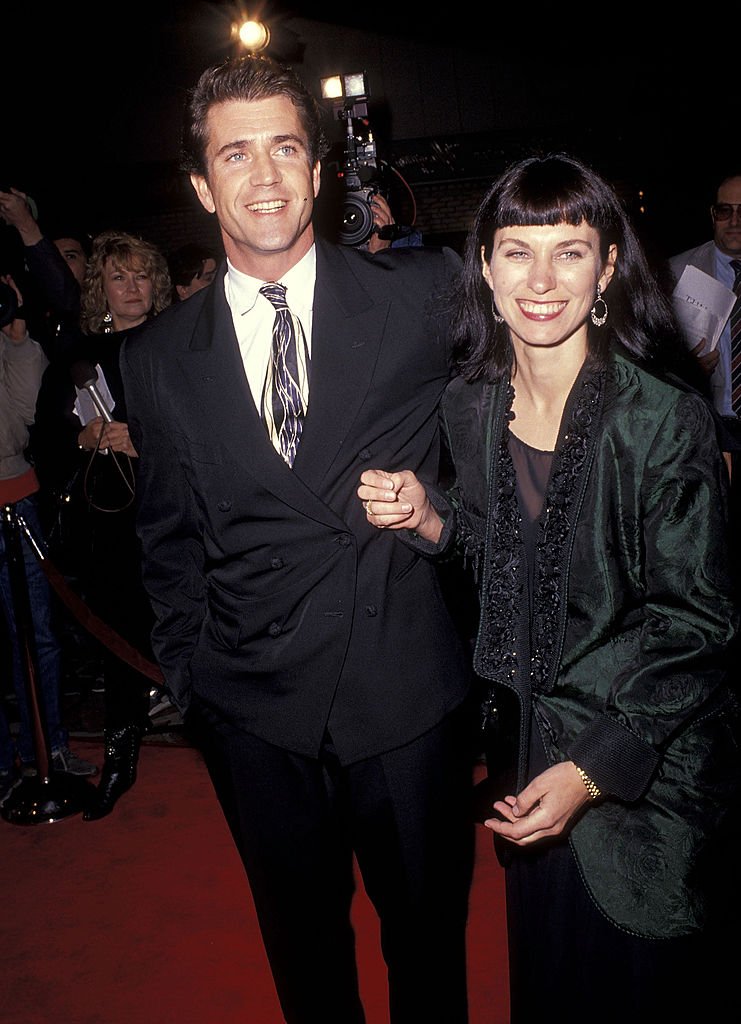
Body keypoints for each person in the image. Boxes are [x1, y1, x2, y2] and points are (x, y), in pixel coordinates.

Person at [119, 53, 475, 1024]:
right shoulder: (154, 358)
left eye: (285, 148)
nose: (265, 176)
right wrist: (196, 685)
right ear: (202, 185)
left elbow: (513, 445)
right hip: (255, 718)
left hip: (403, 698)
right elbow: (166, 540)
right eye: (236, 154)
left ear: (317, 170)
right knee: (308, 964)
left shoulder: (421, 297)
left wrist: (440, 514)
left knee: (428, 954)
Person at [358, 153, 741, 1021]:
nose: (540, 280)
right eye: (515, 251)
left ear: (607, 267)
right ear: (484, 269)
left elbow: (699, 622)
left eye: (568, 252)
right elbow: (499, 557)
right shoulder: (470, 403)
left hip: (648, 768)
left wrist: (593, 771)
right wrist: (430, 520)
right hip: (527, 749)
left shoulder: (660, 416)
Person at [33, 229, 172, 820]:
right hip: (110, 524)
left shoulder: (181, 341)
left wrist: (144, 441)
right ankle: (120, 755)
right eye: (119, 276)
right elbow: (44, 438)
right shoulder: (75, 356)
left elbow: (216, 430)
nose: (132, 286)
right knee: (117, 635)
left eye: (141, 274)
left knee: (192, 630)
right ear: (100, 288)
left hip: (178, 515)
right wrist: (81, 437)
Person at [0, 272, 97, 802]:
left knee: (39, 634)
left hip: (16, 495)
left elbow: (23, 420)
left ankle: (51, 747)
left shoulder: (10, 340)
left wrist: (17, 339)